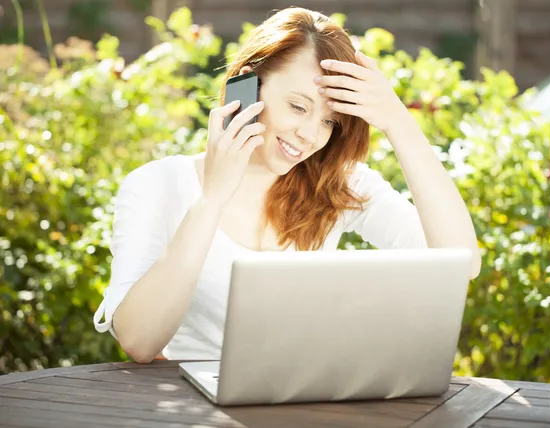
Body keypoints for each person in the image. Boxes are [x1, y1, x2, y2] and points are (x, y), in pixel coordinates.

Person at [93, 7, 481, 363]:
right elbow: (139, 342)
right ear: (246, 89)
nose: (310, 135)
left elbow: (460, 263)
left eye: (330, 121)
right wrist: (211, 201)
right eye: (298, 107)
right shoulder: (157, 185)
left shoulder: (337, 183)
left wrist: (400, 124)